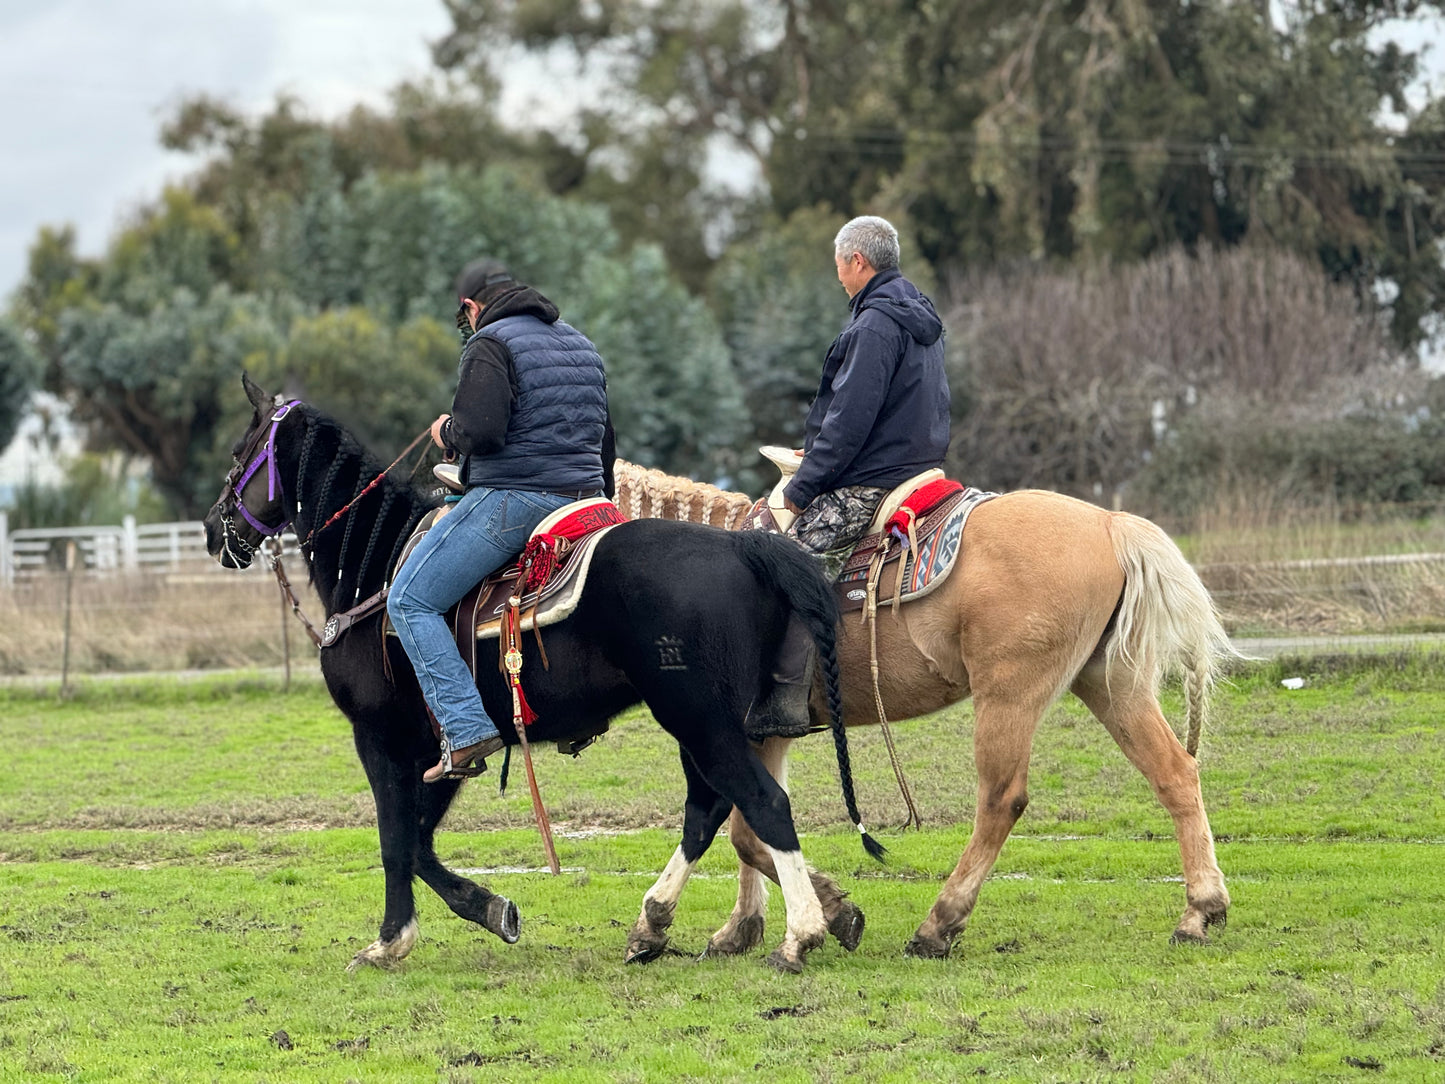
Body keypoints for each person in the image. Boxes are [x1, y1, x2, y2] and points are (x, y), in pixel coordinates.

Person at [387, 259, 613, 782]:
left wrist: (447, 432)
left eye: (463, 315)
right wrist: (599, 501)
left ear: (471, 306)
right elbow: (605, 439)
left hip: (518, 500)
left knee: (410, 599)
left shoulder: (489, 344)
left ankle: (465, 730)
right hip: (587, 503)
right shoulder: (581, 344)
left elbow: (483, 430)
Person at [755, 215, 951, 734]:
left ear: (857, 262)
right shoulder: (917, 313)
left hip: (872, 480)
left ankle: (785, 699)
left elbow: (850, 419)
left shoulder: (873, 325)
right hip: (917, 468)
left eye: (839, 265)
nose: (838, 275)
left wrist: (802, 486)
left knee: (787, 565)